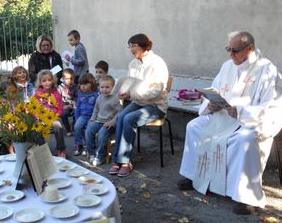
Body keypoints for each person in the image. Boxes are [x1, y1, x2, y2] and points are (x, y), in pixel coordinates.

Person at [178, 31, 282, 215]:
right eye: (228, 49)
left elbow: (272, 107)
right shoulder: (227, 66)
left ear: (250, 48)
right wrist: (211, 105)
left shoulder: (268, 71)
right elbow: (215, 90)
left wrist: (240, 111)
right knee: (193, 126)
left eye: (235, 51)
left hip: (249, 122)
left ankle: (244, 196)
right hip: (223, 118)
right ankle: (195, 176)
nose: (230, 55)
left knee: (243, 140)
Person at [109, 33, 169, 177]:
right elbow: (131, 84)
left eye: (134, 45)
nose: (131, 49)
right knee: (121, 116)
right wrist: (123, 91)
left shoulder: (157, 63)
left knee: (129, 118)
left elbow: (156, 91)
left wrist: (131, 94)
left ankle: (125, 161)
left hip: (156, 105)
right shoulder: (133, 64)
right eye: (129, 46)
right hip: (138, 102)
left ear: (145, 46)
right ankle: (117, 160)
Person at [86, 75, 122, 166]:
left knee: (101, 135)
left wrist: (113, 122)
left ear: (113, 88)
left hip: (109, 124)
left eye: (107, 87)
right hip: (98, 121)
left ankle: (100, 156)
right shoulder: (99, 98)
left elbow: (120, 112)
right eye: (102, 87)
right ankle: (92, 153)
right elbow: (96, 109)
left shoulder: (114, 99)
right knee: (88, 131)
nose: (104, 90)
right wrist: (92, 119)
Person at [34, 70, 67, 158]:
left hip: (54, 117)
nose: (47, 82)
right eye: (44, 81)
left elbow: (60, 109)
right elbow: (34, 108)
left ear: (53, 80)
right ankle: (43, 149)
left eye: (49, 80)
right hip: (41, 118)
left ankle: (61, 149)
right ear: (40, 82)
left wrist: (54, 117)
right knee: (37, 129)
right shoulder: (37, 94)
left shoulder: (56, 93)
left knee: (57, 127)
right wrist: (38, 117)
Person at [73, 73, 99, 156]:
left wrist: (95, 118)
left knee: (88, 130)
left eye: (85, 84)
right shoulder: (80, 94)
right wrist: (77, 118)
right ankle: (79, 144)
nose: (83, 86)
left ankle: (89, 146)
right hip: (83, 116)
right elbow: (78, 107)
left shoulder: (96, 95)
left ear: (92, 84)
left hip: (92, 117)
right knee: (77, 127)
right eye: (81, 84)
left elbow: (98, 108)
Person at [57, 68, 78, 136]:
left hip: (73, 105)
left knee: (77, 112)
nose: (69, 80)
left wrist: (72, 104)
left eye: (71, 78)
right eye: (67, 78)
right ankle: (67, 129)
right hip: (64, 106)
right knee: (63, 114)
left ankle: (74, 127)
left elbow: (77, 98)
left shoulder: (75, 87)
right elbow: (58, 99)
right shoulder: (60, 88)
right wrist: (63, 106)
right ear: (63, 78)